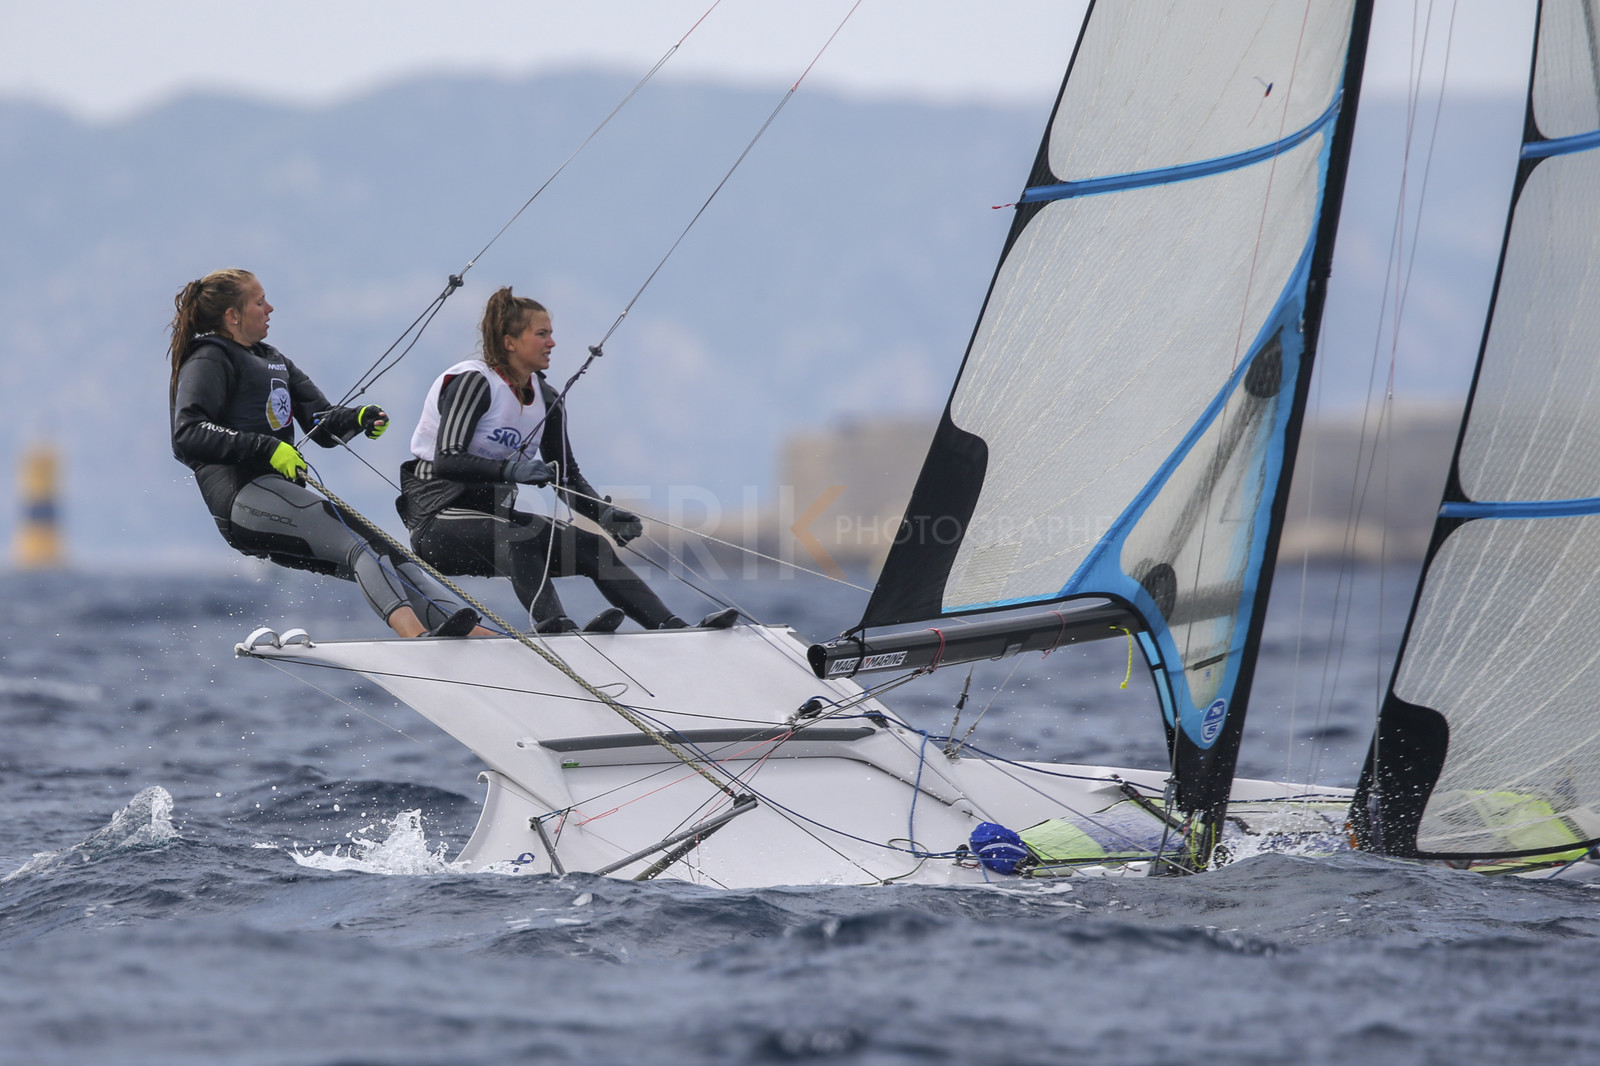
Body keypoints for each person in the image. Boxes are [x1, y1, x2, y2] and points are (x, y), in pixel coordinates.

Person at [398, 286, 736, 634]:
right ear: (510, 341)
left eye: (551, 334)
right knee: (522, 535)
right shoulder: (474, 383)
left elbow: (566, 476)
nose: (552, 343)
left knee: (592, 547)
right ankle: (555, 627)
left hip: (495, 520)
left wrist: (602, 514)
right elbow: (447, 460)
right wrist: (510, 469)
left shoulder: (547, 400)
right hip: (436, 520)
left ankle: (671, 628)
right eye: (541, 334)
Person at [169, 268, 483, 638]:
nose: (270, 308)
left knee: (390, 553)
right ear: (232, 315)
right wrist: (267, 447)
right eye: (259, 302)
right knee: (359, 549)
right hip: (242, 498)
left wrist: (357, 418)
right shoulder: (209, 358)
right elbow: (186, 433)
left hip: (281, 497)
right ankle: (416, 637)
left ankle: (477, 638)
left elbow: (322, 423)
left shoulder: (273, 360)